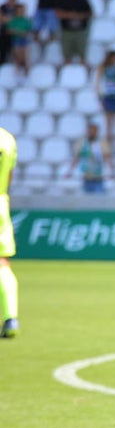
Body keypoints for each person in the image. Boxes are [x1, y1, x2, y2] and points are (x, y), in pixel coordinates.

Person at [0, 126, 17, 337]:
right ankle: (11, 317)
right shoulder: (7, 139)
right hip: (0, 202)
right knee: (2, 262)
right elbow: (10, 176)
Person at [69, 122, 114, 194]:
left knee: (99, 201)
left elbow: (108, 158)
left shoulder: (102, 143)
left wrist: (111, 172)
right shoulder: (82, 142)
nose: (92, 132)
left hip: (98, 178)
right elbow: (76, 157)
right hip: (85, 177)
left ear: (97, 132)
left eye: (94, 131)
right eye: (90, 130)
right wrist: (70, 171)